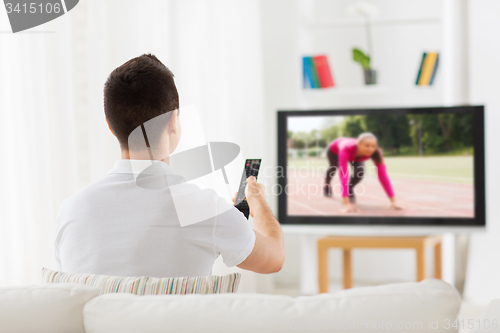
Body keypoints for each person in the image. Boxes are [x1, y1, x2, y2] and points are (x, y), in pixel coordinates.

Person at [54, 54, 284, 277]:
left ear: (111, 126)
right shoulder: (206, 210)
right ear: (173, 121)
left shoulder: (71, 211)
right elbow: (274, 258)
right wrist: (257, 201)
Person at [324, 133, 401, 213]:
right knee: (333, 167)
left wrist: (393, 201)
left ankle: (349, 188)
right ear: (358, 144)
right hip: (334, 150)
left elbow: (382, 175)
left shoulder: (376, 152)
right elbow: (343, 175)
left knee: (360, 172)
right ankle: (327, 185)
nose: (370, 149)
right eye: (367, 146)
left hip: (357, 155)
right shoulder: (346, 149)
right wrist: (346, 204)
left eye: (373, 146)